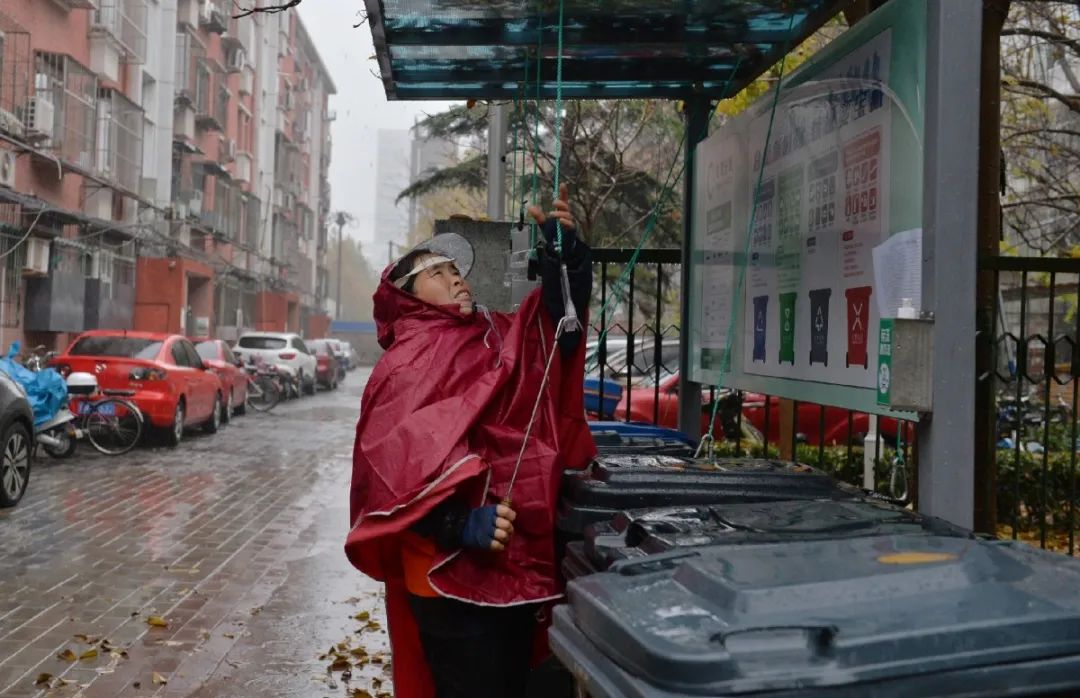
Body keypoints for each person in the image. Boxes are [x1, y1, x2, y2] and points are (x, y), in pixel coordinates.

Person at [345, 186, 595, 698]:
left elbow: (553, 334)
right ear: (406, 296)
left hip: (514, 564)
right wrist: (458, 524)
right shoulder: (403, 366)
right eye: (436, 272)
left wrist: (564, 261)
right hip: (445, 578)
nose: (454, 276)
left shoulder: (493, 334)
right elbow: (390, 474)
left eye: (455, 270)